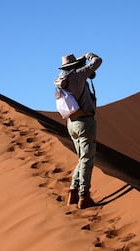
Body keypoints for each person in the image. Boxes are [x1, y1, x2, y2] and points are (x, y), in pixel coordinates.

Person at [54, 52, 102, 209]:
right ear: (75, 65)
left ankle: (73, 191)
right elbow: (97, 61)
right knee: (87, 159)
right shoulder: (78, 75)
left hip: (71, 123)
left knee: (83, 158)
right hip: (84, 123)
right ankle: (84, 195)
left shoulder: (60, 80)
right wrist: (87, 55)